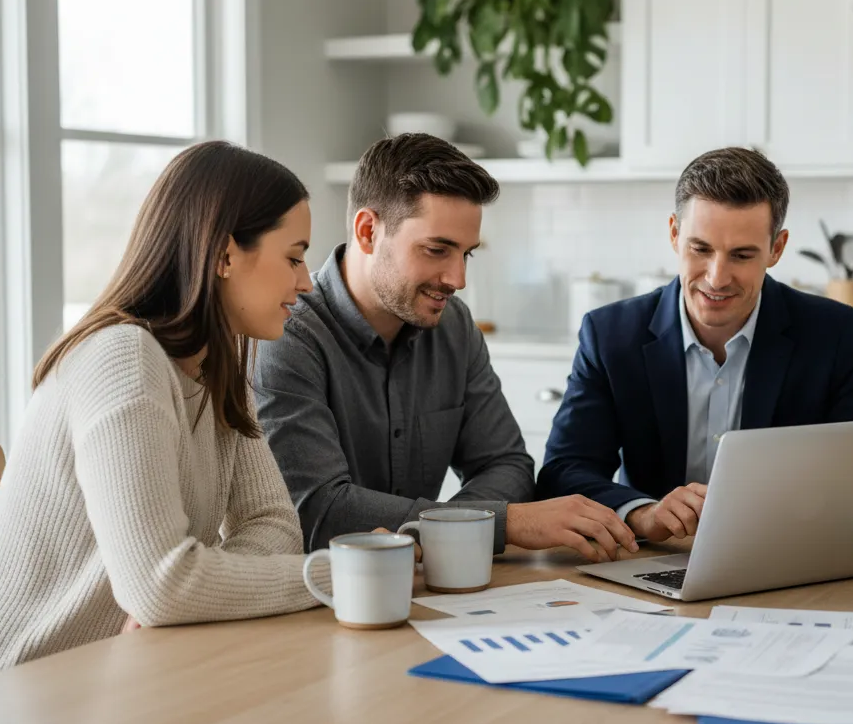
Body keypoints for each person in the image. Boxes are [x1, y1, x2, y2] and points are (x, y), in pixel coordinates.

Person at [0, 141, 326, 686]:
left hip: (116, 680)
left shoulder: (218, 367)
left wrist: (192, 595)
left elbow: (272, 525)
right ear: (224, 254)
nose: (306, 281)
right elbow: (163, 582)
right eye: (294, 256)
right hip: (6, 701)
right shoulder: (122, 357)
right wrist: (335, 576)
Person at [254, 134, 637, 563]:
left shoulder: (453, 325)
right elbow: (320, 511)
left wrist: (447, 531)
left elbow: (507, 464)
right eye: (437, 250)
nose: (457, 279)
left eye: (466, 255)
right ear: (368, 231)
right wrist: (504, 523)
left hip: (430, 590)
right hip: (322, 600)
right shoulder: (287, 336)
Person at [536, 146, 853, 542]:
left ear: (776, 249)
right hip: (651, 566)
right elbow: (562, 474)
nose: (717, 278)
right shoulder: (611, 334)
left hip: (778, 562)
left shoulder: (832, 334)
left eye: (741, 255)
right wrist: (644, 513)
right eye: (700, 249)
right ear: (673, 234)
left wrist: (780, 509)